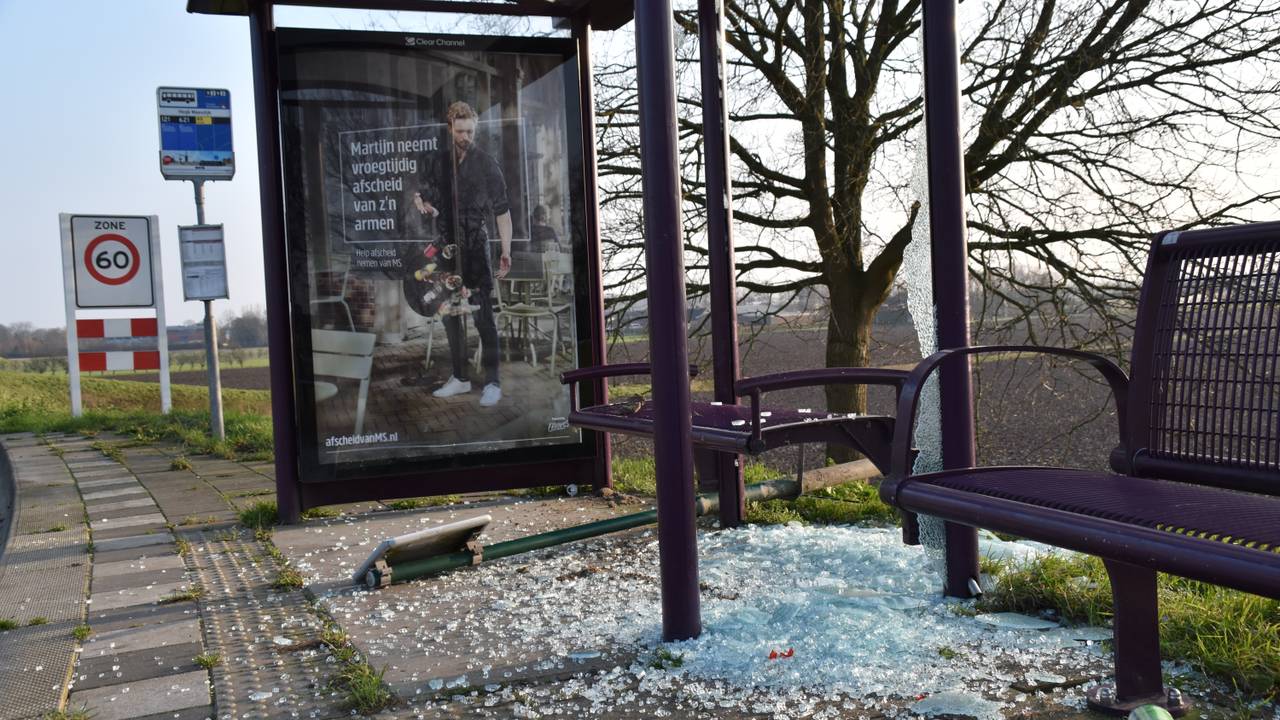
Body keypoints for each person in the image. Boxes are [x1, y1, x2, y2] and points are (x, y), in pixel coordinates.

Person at [413, 101, 512, 407]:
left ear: (475, 129)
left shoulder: (486, 164)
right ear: (450, 129)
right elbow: (422, 194)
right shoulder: (439, 162)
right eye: (460, 131)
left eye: (470, 131)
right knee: (450, 316)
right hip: (446, 247)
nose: (465, 136)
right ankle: (460, 377)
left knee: (483, 315)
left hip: (475, 247)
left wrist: (506, 250)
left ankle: (493, 382)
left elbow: (502, 212)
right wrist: (421, 203)